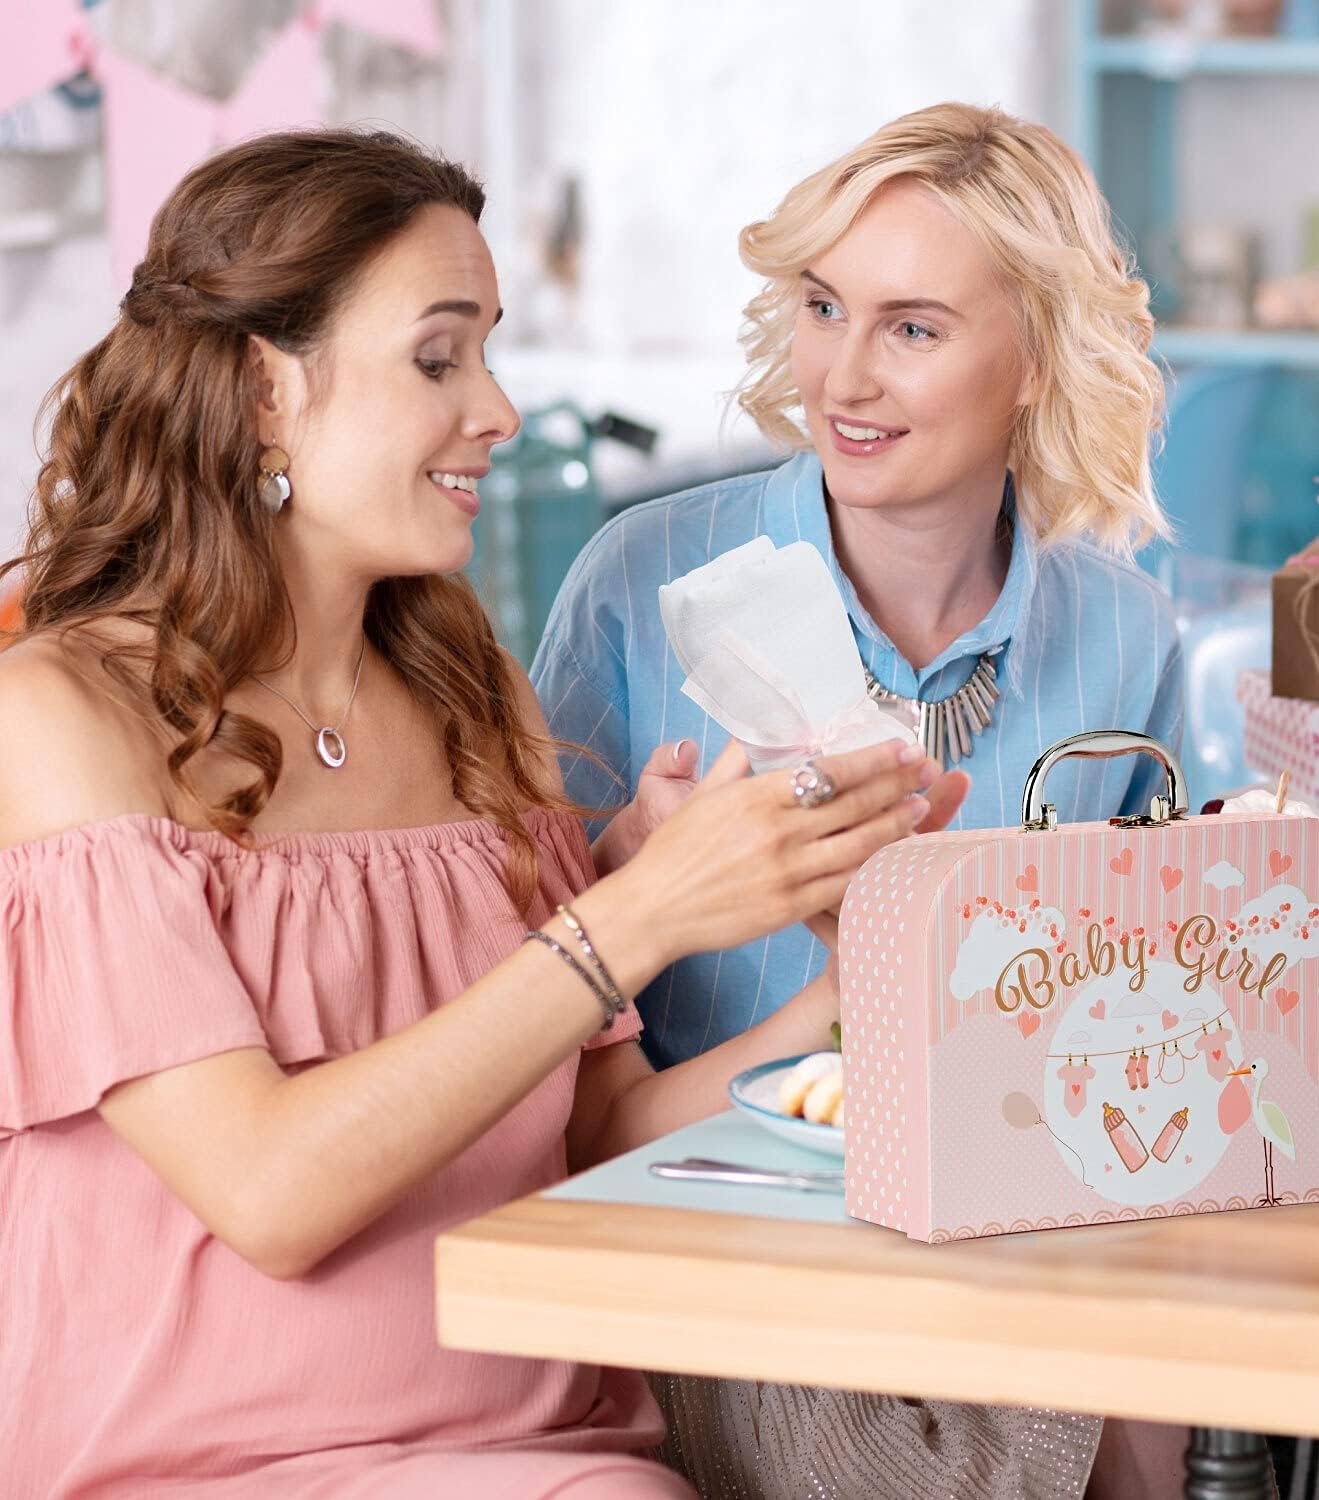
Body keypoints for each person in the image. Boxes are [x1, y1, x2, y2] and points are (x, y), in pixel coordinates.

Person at [0, 128, 945, 1500]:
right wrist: (638, 915)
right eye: (439, 358)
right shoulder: (60, 715)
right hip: (202, 1467)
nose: (497, 410)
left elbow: (598, 1136)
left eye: (488, 353)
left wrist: (855, 967)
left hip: (544, 1451)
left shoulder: (469, 692)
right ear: (264, 390)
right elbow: (267, 1192)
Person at [533, 103, 1190, 1498]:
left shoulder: (1125, 629)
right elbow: (533, 1021)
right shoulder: (639, 583)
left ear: (1036, 359)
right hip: (720, 1246)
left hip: (1024, 1233)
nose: (843, 374)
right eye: (825, 306)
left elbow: (1170, 994)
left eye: (913, 327)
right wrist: (629, 865)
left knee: (1190, 1388)